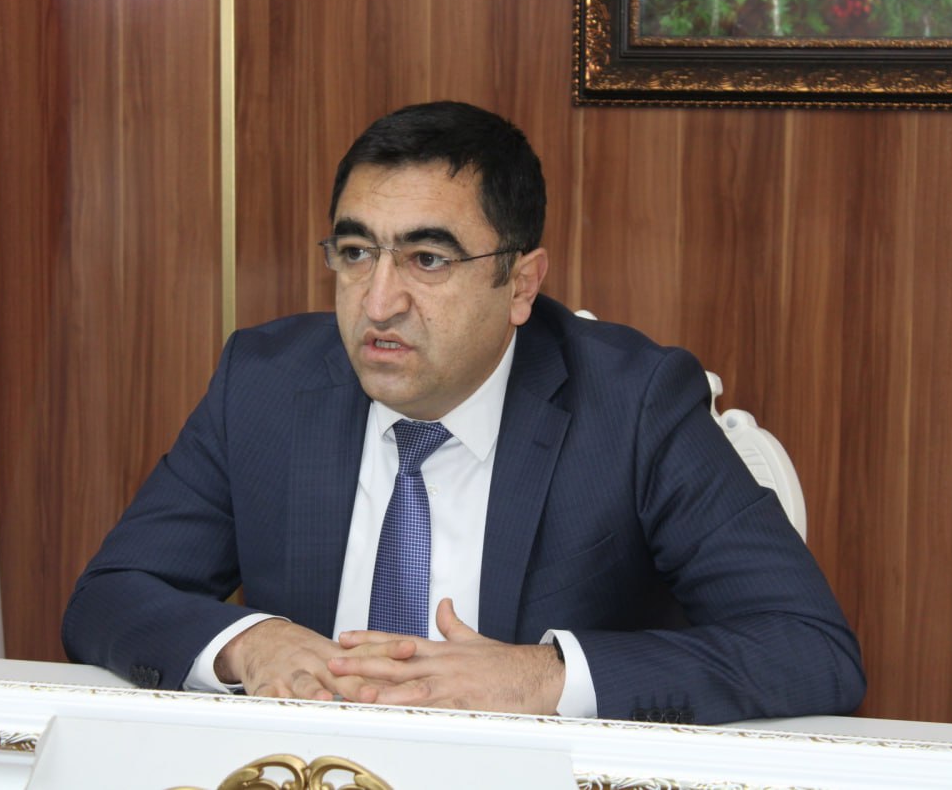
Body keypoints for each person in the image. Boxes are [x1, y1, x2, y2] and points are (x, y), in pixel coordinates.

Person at [62, 101, 865, 723]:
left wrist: (541, 677)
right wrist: (249, 642)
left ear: (520, 284)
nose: (379, 301)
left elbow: (808, 646)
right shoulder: (266, 384)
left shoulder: (633, 404)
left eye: (427, 258)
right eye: (355, 253)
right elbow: (111, 594)